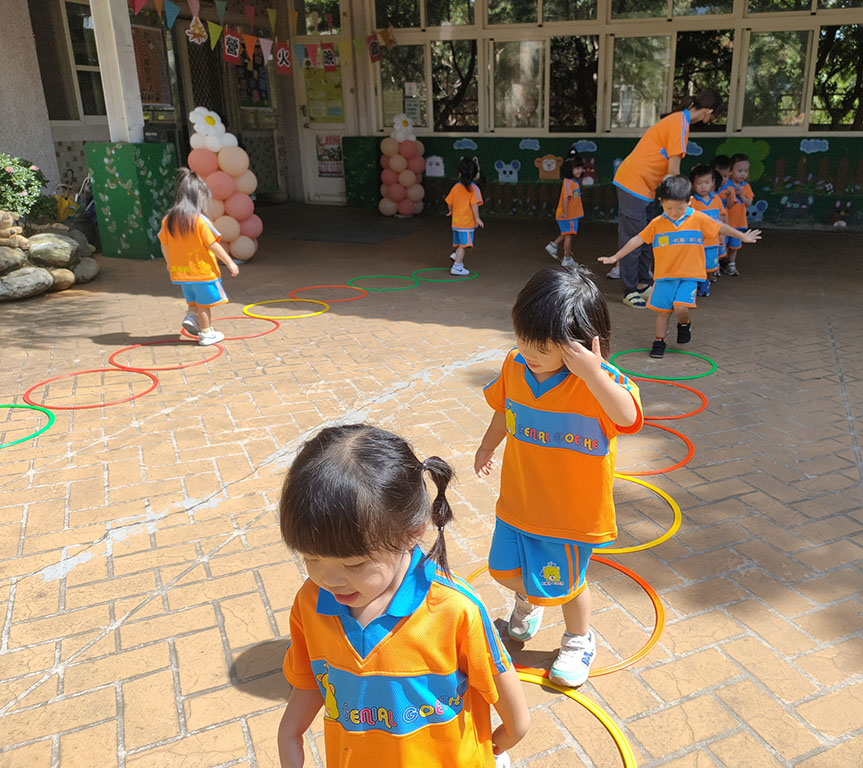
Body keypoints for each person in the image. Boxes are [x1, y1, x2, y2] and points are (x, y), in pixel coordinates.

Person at [277, 424, 529, 768]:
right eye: (311, 559)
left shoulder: (453, 610)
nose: (329, 579)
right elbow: (311, 681)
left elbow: (513, 709)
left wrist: (500, 742)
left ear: (412, 532)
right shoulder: (310, 603)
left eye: (354, 563)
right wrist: (289, 734)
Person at [474, 267, 643, 688]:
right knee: (501, 569)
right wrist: (487, 446)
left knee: (567, 586)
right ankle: (530, 598)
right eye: (522, 339)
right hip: (519, 500)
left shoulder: (598, 383)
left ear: (580, 344)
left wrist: (594, 373)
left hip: (569, 514)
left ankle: (578, 640)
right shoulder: (515, 365)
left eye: (543, 346)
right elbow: (504, 409)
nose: (528, 352)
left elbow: (628, 418)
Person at [600, 176, 761, 356]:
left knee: (681, 307)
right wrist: (616, 257)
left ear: (689, 201)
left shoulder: (698, 218)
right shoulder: (657, 224)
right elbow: (637, 239)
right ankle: (659, 341)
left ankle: (684, 323)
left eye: (679, 208)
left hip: (689, 276)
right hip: (664, 277)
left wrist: (743, 236)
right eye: (669, 208)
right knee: (663, 312)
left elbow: (720, 227)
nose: (674, 212)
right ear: (660, 202)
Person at [610, 89, 723, 307]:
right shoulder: (679, 123)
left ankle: (643, 283)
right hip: (633, 184)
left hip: (647, 188)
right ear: (709, 112)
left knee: (647, 237)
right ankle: (629, 290)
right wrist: (681, 203)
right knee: (633, 237)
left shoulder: (681, 121)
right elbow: (673, 172)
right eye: (714, 116)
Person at [158, 169, 238, 346]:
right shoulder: (200, 221)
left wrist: (169, 263)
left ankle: (191, 316)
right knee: (204, 305)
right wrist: (230, 262)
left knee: (193, 300)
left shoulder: (168, 220)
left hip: (182, 272)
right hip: (202, 272)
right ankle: (206, 333)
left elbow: (164, 244)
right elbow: (213, 245)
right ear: (199, 197)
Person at [687, 164, 726, 296]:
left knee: (709, 265)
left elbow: (721, 218)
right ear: (693, 184)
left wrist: (721, 235)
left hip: (712, 241)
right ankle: (696, 285)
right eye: (699, 183)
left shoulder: (717, 200)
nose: (703, 186)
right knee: (695, 265)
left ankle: (705, 281)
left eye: (707, 183)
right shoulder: (691, 202)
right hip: (696, 242)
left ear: (713, 183)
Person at [545, 153, 585, 268]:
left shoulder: (572, 181)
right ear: (569, 169)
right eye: (577, 168)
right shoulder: (568, 182)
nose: (580, 171)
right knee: (568, 236)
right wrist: (566, 212)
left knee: (566, 233)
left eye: (580, 168)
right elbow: (566, 198)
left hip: (569, 214)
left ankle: (553, 245)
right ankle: (567, 259)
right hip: (568, 215)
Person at [446, 158, 484, 276]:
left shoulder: (456, 187)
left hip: (456, 222)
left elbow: (449, 201)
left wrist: (450, 211)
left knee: (460, 243)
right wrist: (477, 218)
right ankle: (457, 266)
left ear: (460, 174)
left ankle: (456, 256)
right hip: (466, 223)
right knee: (463, 246)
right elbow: (474, 204)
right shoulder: (474, 189)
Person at [718, 153, 753, 276]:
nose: (743, 174)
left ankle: (731, 264)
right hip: (725, 223)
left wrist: (741, 195)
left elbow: (748, 203)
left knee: (734, 246)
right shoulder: (725, 185)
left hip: (739, 223)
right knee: (722, 244)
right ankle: (721, 263)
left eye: (746, 171)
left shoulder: (746, 187)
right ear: (731, 171)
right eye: (740, 171)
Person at [711, 155, 732, 281]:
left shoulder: (725, 191)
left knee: (719, 246)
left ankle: (717, 267)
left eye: (726, 176)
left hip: (719, 226)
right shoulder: (706, 192)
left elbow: (724, 213)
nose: (722, 179)